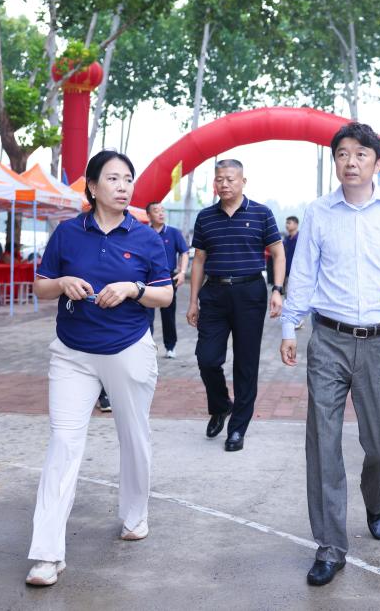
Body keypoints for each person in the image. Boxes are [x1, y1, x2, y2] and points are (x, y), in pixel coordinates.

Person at [279, 122, 380, 587]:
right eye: (342, 153)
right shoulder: (319, 212)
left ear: (377, 163)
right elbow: (303, 271)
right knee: (323, 443)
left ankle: (374, 497)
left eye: (361, 154)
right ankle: (330, 545)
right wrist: (289, 324)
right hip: (328, 339)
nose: (351, 161)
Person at [24, 150, 173, 587]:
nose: (123, 186)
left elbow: (164, 295)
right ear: (91, 186)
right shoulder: (68, 233)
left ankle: (135, 515)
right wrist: (62, 282)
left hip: (128, 350)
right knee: (63, 442)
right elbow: (41, 287)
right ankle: (46, 554)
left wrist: (133, 288)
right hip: (72, 353)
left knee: (134, 435)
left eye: (128, 179)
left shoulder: (145, 237)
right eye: (113, 178)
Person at [186, 159, 284, 452]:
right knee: (207, 358)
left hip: (250, 292)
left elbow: (278, 253)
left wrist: (278, 290)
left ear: (243, 181)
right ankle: (220, 405)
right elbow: (199, 260)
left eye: (230, 179)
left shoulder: (261, 213)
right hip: (214, 293)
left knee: (246, 363)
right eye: (219, 179)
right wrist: (192, 301)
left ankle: (238, 428)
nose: (224, 184)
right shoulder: (205, 217)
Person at [146, 201, 189, 359]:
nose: (161, 213)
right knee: (146, 314)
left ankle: (170, 346)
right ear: (148, 215)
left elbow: (184, 252)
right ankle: (147, 346)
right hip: (147, 278)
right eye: (156, 210)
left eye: (162, 210)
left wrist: (182, 272)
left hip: (168, 278)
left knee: (168, 314)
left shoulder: (173, 233)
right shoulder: (144, 233)